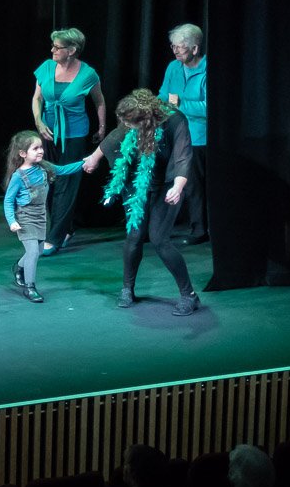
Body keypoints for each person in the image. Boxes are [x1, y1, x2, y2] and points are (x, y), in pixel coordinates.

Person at [82, 89, 200, 315]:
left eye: (131, 123)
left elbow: (183, 157)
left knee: (159, 240)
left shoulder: (175, 121)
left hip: (168, 185)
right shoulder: (132, 120)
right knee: (134, 236)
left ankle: (189, 295)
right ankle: (127, 289)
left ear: (145, 118)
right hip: (139, 184)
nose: (127, 126)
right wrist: (94, 158)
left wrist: (177, 187)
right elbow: (115, 136)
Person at [31, 27, 107, 255]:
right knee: (48, 181)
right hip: (48, 133)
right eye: (53, 46)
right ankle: (67, 228)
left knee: (67, 183)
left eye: (57, 47)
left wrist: (102, 127)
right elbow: (37, 98)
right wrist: (39, 122)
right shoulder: (46, 67)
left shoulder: (88, 74)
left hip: (74, 134)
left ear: (72, 50)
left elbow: (99, 101)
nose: (52, 50)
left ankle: (54, 237)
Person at [3, 131, 88, 303]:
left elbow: (63, 170)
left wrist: (86, 162)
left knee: (39, 250)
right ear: (23, 153)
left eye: (41, 147)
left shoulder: (43, 167)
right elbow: (8, 201)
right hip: (25, 218)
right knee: (33, 252)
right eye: (35, 148)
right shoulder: (18, 176)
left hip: (40, 217)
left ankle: (18, 267)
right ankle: (30, 287)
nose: (41, 151)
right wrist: (12, 221)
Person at [159, 23, 208, 245]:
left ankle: (199, 230)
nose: (175, 51)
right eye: (173, 46)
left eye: (179, 47)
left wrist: (180, 104)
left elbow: (209, 108)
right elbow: (163, 96)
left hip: (199, 138)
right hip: (174, 134)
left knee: (195, 186)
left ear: (195, 49)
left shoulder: (207, 70)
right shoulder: (173, 67)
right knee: (176, 182)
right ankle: (167, 226)